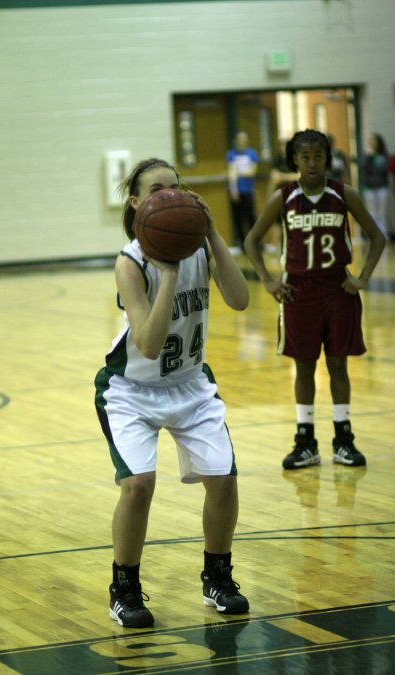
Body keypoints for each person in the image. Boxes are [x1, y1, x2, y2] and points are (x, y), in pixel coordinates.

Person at [94, 158, 250, 628]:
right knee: (138, 485)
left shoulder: (200, 247)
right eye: (158, 189)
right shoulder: (130, 261)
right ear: (138, 203)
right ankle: (124, 589)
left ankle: (217, 578)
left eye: (177, 188)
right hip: (131, 390)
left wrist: (215, 235)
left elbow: (240, 299)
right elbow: (148, 342)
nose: (171, 196)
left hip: (189, 383)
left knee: (223, 480)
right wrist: (166, 274)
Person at [244, 129, 386, 470]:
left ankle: (344, 440)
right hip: (298, 293)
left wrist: (362, 277)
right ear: (295, 159)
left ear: (328, 159)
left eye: (318, 156)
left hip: (338, 290)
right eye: (305, 157)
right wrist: (268, 280)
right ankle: (305, 441)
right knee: (304, 367)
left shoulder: (342, 194)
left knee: (339, 366)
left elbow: (377, 238)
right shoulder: (284, 197)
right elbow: (251, 241)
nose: (311, 163)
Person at [226, 131, 259, 251]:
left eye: (244, 140)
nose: (241, 143)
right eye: (239, 140)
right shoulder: (231, 154)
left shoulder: (252, 153)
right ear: (236, 141)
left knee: (251, 218)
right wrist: (233, 189)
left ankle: (255, 243)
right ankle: (242, 245)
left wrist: (237, 172)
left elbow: (251, 172)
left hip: (248, 190)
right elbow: (231, 173)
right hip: (236, 191)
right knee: (238, 219)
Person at [360, 133, 390, 236]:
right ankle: (374, 235)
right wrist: (369, 157)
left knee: (381, 212)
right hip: (369, 187)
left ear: (378, 142)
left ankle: (383, 233)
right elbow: (364, 167)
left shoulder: (384, 154)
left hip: (382, 186)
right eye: (370, 141)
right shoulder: (367, 155)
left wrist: (374, 169)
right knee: (372, 212)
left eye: (374, 141)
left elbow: (384, 169)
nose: (372, 143)